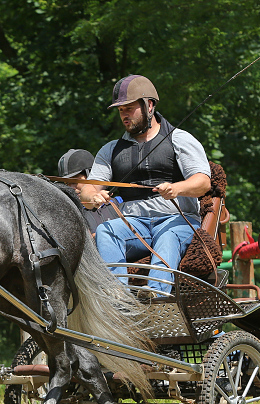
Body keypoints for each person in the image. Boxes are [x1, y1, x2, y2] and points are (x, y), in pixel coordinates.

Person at [90, 74, 211, 295]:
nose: (124, 115)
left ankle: (156, 295)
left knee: (167, 237)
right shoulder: (110, 150)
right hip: (135, 225)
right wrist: (92, 197)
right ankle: (118, 301)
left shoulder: (180, 139)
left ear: (150, 105)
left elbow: (203, 182)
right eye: (120, 110)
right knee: (106, 230)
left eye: (129, 108)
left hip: (178, 220)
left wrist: (177, 188)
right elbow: (90, 188)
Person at [57, 149, 122, 236]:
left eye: (75, 182)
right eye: (66, 184)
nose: (71, 188)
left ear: (90, 176)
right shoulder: (70, 215)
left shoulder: (120, 203)